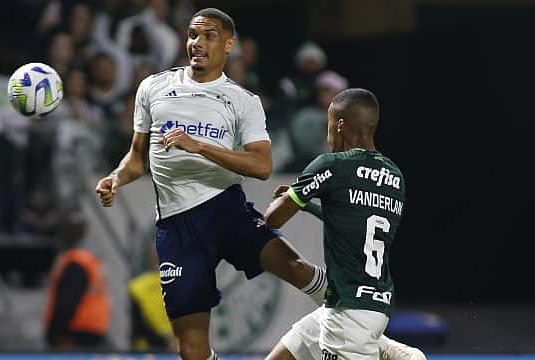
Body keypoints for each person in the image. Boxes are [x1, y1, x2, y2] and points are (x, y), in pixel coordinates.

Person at [96, 8, 422, 360]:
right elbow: (136, 157)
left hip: (226, 209)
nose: (197, 43)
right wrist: (116, 178)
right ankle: (364, 329)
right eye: (192, 34)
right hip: (177, 225)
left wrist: (200, 146)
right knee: (191, 350)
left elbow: (262, 165)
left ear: (228, 44)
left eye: (208, 36)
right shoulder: (153, 88)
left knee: (295, 267)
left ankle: (362, 328)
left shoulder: (242, 101)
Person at [263, 88, 425, 360]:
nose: (326, 136)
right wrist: (311, 206)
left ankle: (376, 347)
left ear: (339, 125)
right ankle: (380, 345)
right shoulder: (395, 176)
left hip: (347, 316)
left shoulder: (331, 165)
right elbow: (353, 219)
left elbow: (272, 218)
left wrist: (292, 198)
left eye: (327, 126)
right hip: (369, 304)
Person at [43, 213, 110, 351]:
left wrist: (56, 334)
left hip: (76, 332)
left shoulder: (76, 263)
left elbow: (68, 302)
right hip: (94, 329)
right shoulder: (90, 260)